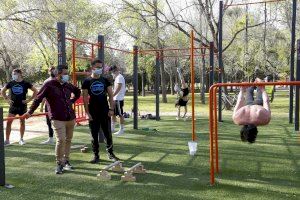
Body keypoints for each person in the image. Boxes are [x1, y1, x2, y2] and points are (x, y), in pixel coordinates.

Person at [23, 65, 81, 174]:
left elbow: (78, 92)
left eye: (66, 73)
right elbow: (38, 99)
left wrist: (72, 101)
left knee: (68, 140)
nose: (66, 75)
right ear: (58, 74)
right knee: (61, 140)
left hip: (70, 117)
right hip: (57, 117)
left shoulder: (68, 85)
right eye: (64, 73)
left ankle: (66, 161)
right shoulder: (49, 85)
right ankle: (59, 163)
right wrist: (30, 111)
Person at [82, 59, 119, 164]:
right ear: (92, 68)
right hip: (93, 112)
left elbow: (111, 95)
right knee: (94, 134)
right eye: (97, 67)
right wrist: (87, 112)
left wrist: (111, 109)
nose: (99, 69)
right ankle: (96, 156)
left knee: (108, 133)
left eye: (101, 67)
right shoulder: (87, 81)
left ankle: (111, 154)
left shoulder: (105, 80)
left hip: (105, 111)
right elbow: (85, 98)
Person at [1, 69, 38, 145]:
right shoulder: (11, 83)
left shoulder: (26, 83)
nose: (13, 75)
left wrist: (29, 100)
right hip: (13, 106)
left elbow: (36, 91)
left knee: (22, 122)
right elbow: (2, 91)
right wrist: (7, 99)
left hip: (22, 106)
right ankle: (7, 140)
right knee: (8, 122)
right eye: (12, 74)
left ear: (20, 74)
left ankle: (21, 139)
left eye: (15, 74)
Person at [232, 78, 271, 143]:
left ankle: (256, 82)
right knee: (249, 90)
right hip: (248, 105)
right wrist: (242, 90)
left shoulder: (265, 121)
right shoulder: (236, 120)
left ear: (255, 132)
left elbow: (266, 101)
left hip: (258, 106)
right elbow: (239, 101)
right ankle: (253, 82)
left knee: (259, 90)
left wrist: (263, 89)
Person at [40, 66, 56, 144]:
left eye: (54, 70)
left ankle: (62, 138)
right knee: (49, 122)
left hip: (58, 104)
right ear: (49, 72)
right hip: (48, 105)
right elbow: (43, 95)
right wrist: (42, 106)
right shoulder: (46, 81)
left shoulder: (59, 79)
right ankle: (51, 138)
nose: (52, 72)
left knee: (59, 121)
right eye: (51, 70)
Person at [110, 65, 126, 135]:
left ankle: (121, 130)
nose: (111, 73)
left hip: (119, 99)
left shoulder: (119, 77)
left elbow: (118, 88)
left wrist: (112, 95)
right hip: (115, 99)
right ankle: (112, 128)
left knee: (120, 114)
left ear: (115, 71)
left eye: (112, 72)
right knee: (113, 113)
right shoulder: (117, 78)